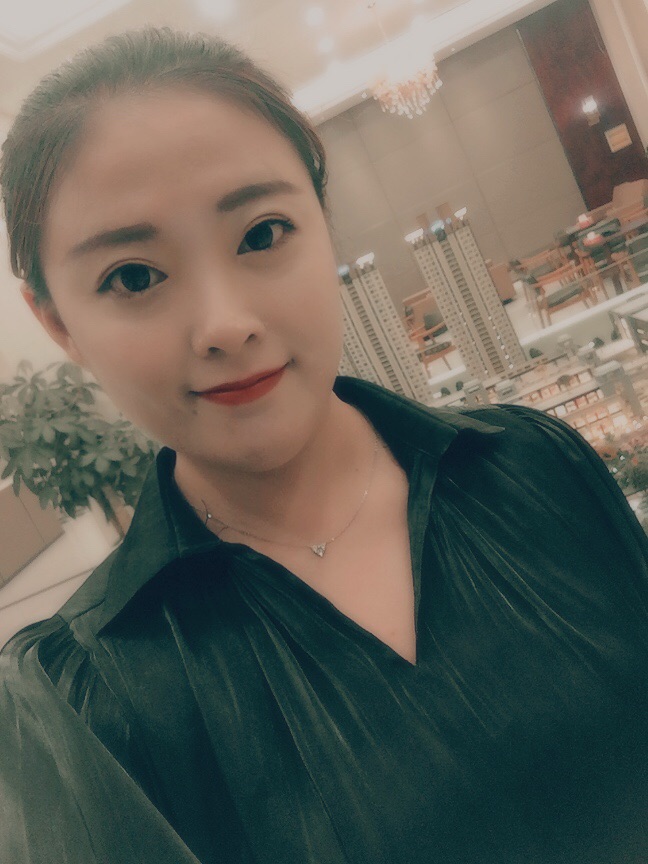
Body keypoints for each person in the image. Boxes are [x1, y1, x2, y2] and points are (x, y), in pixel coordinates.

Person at [1, 27, 647, 864]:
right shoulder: (94, 701)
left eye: (262, 233)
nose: (227, 324)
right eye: (133, 276)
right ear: (58, 323)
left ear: (324, 220)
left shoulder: (536, 466)